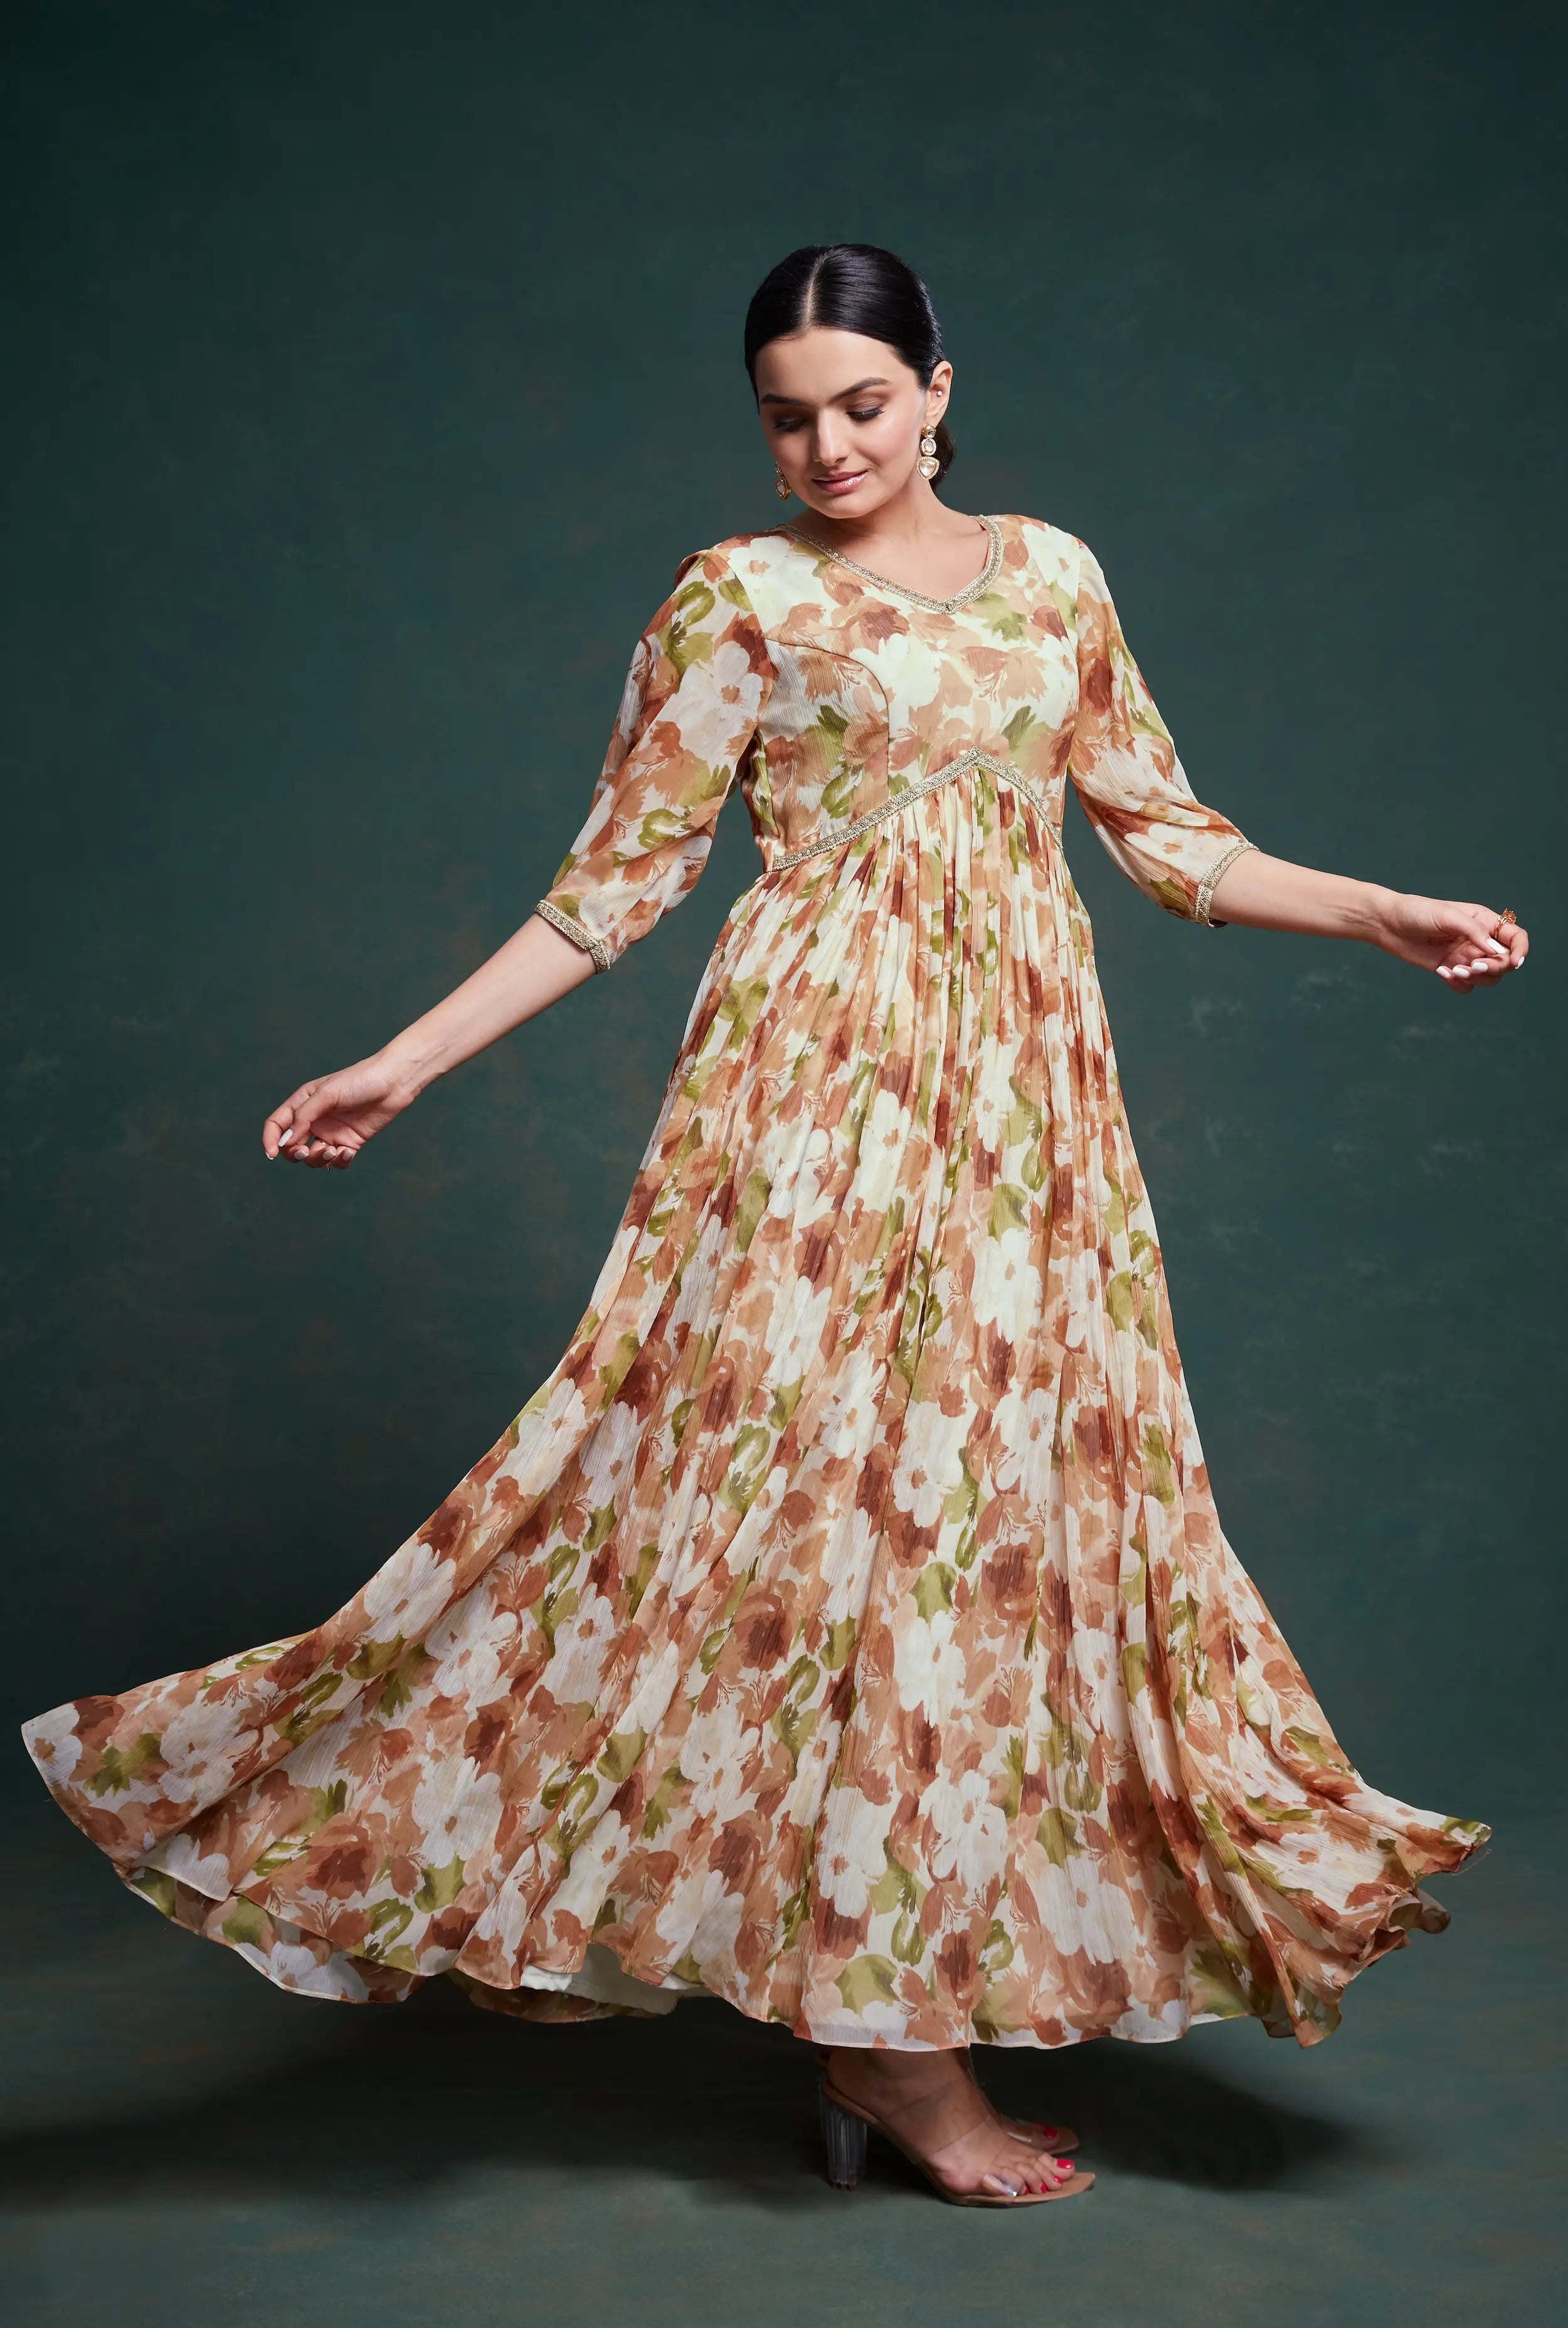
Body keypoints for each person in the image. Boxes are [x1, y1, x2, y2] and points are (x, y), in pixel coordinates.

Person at [23, 243, 1525, 2211]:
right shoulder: (734, 600)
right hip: (812, 1109)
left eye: (862, 404)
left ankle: (880, 2002)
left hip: (1024, 1128)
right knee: (810, 1518)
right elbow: (611, 885)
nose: (827, 447)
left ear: (938, 390)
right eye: (787, 417)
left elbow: (1167, 836)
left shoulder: (1055, 579)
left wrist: (1376, 911)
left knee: (990, 1537)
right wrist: (405, 1061)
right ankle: (891, 2054)